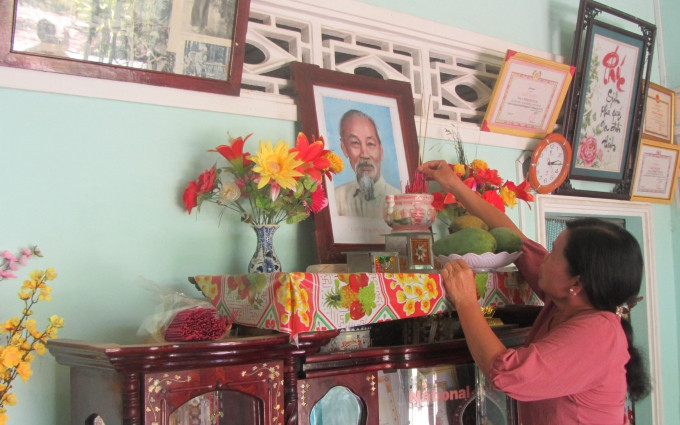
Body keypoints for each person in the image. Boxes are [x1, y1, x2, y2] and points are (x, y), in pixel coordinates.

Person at [419, 159, 650, 425]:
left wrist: (466, 302)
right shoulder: (567, 300)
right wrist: (454, 185)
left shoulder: (599, 335)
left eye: (554, 253)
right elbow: (516, 241)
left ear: (576, 284)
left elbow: (507, 374)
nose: (545, 257)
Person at [334, 109, 400, 218]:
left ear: (381, 151)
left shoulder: (401, 200)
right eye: (355, 143)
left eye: (370, 144)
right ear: (344, 148)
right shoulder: (336, 199)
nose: (364, 154)